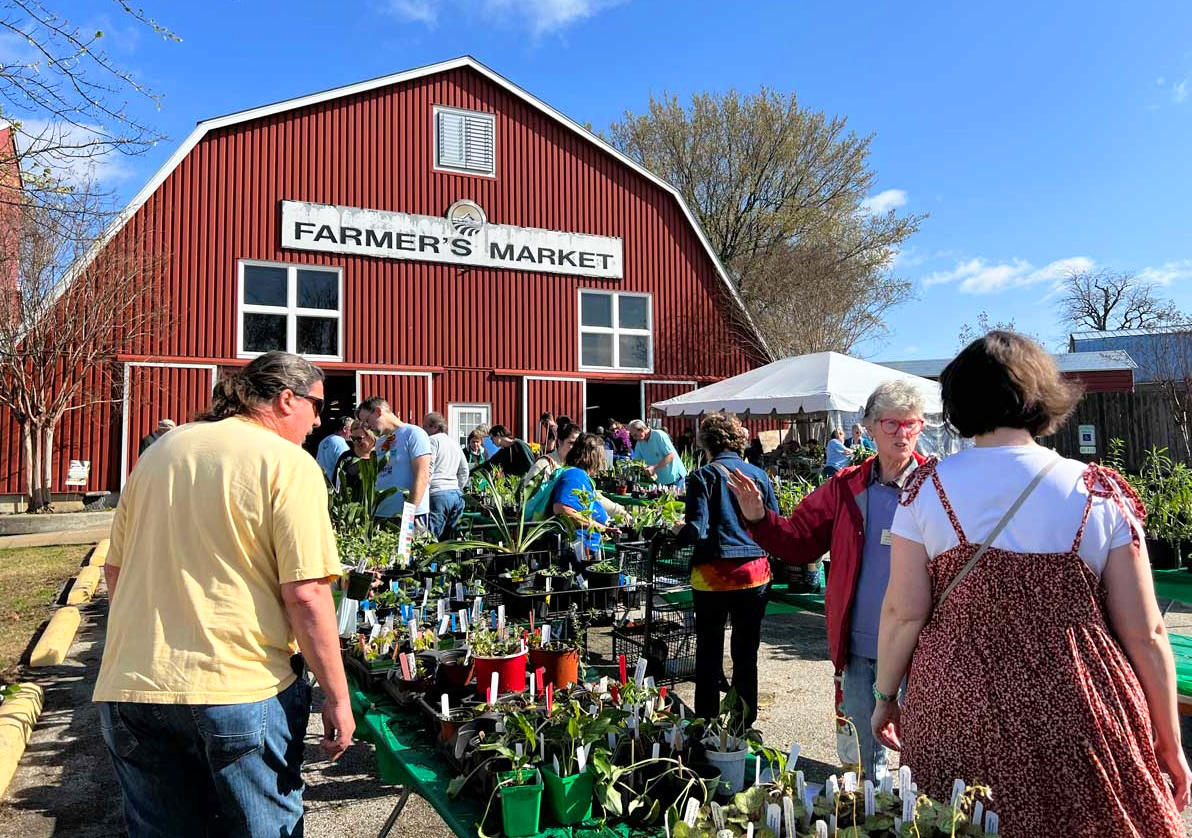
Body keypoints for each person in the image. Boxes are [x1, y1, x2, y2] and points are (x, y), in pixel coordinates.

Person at [871, 331, 1188, 836]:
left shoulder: (926, 491)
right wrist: (1168, 740)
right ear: (1043, 395)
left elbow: (903, 613)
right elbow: (1147, 633)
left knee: (957, 823)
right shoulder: (1098, 493)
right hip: (1078, 703)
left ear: (958, 400)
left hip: (956, 703)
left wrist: (885, 695)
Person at [94, 351, 353, 837]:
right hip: (238, 686)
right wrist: (337, 696)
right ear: (284, 400)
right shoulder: (287, 463)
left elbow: (115, 571)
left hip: (133, 685)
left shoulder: (160, 453)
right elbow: (306, 594)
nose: (319, 420)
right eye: (317, 405)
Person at [728, 379, 928, 782]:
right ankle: (870, 817)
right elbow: (799, 542)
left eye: (912, 424)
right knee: (860, 753)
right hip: (856, 644)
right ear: (869, 428)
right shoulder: (846, 487)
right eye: (891, 424)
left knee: (920, 751)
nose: (902, 433)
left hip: (919, 645)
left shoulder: (937, 487)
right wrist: (757, 518)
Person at [677, 412, 778, 728]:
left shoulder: (703, 476)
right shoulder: (758, 476)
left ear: (705, 443)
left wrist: (674, 531)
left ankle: (705, 722)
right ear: (739, 442)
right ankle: (743, 722)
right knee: (746, 651)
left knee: (709, 650)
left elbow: (697, 527)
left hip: (714, 576)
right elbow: (773, 522)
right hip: (754, 572)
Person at [357, 397, 432, 525]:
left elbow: (423, 475)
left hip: (408, 517)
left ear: (378, 411)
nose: (367, 427)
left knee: (409, 546)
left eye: (367, 421)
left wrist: (409, 516)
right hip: (381, 514)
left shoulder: (413, 434)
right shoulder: (381, 442)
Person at [551, 433, 613, 561]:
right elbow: (561, 509)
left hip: (585, 547)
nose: (602, 460)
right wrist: (599, 527)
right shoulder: (575, 475)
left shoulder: (579, 475)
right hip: (578, 550)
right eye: (600, 455)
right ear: (592, 456)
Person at [422, 411, 469, 539]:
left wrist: (423, 490)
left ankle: (432, 559)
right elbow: (464, 470)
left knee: (432, 538)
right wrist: (457, 488)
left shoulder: (431, 441)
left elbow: (428, 467)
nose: (423, 429)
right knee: (450, 539)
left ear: (434, 427)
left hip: (437, 494)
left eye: (425, 426)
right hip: (456, 496)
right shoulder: (454, 443)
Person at [628, 419, 688, 490]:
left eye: (635, 435)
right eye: (633, 436)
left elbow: (671, 455)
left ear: (642, 429)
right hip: (660, 480)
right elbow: (638, 461)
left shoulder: (659, 435)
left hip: (675, 477)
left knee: (675, 500)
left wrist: (654, 467)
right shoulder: (639, 444)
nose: (634, 438)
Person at [525, 422, 581, 486]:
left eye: (578, 444)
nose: (576, 447)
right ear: (560, 442)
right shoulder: (544, 465)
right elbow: (529, 492)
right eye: (571, 443)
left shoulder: (577, 465)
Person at [334, 420, 375, 499]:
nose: (356, 442)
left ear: (371, 436)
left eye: (359, 438)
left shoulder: (381, 456)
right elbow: (337, 485)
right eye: (353, 438)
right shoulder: (345, 458)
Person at [316, 417, 352, 485]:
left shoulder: (324, 441)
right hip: (332, 487)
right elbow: (344, 467)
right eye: (352, 429)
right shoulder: (341, 443)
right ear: (345, 429)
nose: (354, 433)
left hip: (319, 482)